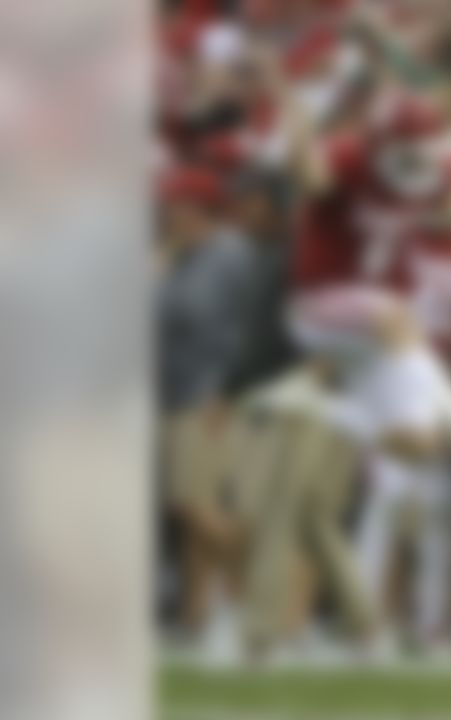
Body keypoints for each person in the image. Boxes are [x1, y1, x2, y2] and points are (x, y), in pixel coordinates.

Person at [157, 165, 257, 658]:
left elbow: (253, 327)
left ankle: (247, 604)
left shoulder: (232, 255)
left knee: (198, 508)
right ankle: (198, 617)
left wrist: (231, 389)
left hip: (213, 398)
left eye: (173, 204)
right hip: (176, 395)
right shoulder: (180, 257)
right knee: (186, 508)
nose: (165, 212)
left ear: (197, 206)